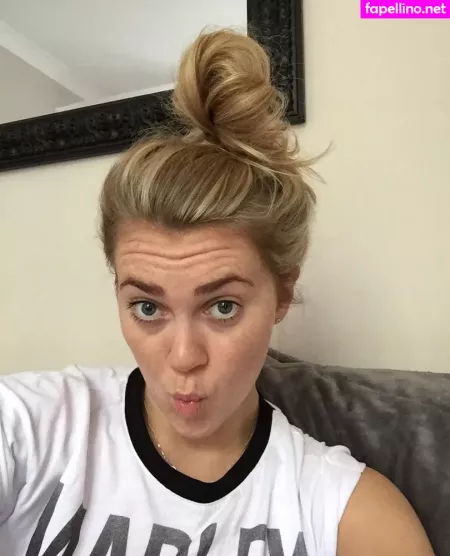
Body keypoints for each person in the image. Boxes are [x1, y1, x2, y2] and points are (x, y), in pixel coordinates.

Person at [0, 29, 434, 556]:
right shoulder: (31, 431)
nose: (184, 357)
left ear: (282, 293)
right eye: (147, 307)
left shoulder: (345, 513)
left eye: (222, 307)